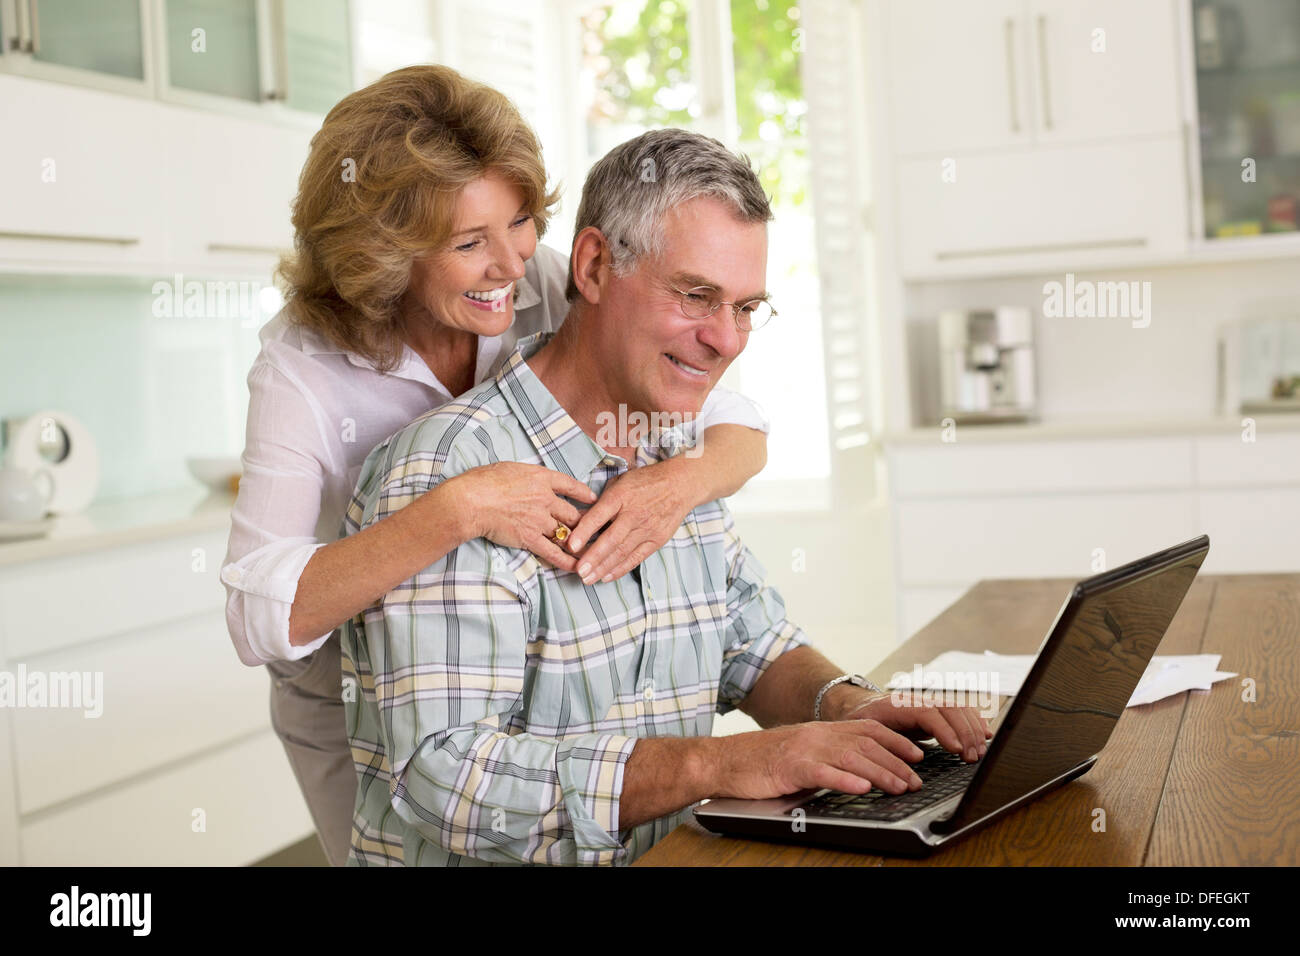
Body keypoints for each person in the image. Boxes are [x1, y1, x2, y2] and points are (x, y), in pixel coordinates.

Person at [339, 128, 991, 866]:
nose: (727, 340)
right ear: (592, 265)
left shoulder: (677, 448)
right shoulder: (451, 472)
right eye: (695, 296)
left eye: (746, 306)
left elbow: (748, 642)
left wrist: (853, 707)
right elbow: (447, 780)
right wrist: (723, 765)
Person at [219, 67, 771, 867]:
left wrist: (672, 486)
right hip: (354, 689)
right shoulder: (303, 369)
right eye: (469, 243)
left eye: (519, 221)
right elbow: (257, 617)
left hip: (518, 654)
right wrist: (455, 509)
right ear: (387, 253)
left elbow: (735, 425)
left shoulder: (543, 276)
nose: (510, 263)